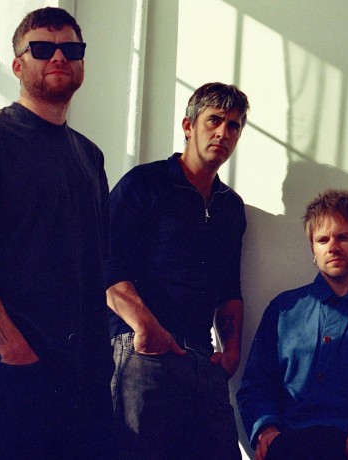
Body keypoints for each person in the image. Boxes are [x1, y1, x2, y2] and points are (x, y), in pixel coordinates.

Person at [0, 7, 114, 459]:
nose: (59, 56)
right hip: (11, 370)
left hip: (83, 378)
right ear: (17, 65)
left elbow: (97, 266)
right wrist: (13, 349)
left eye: (71, 48)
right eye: (42, 48)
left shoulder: (89, 156)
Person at [105, 82, 249, 459]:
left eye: (234, 125)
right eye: (214, 120)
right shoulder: (145, 183)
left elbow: (229, 287)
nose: (223, 132)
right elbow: (103, 261)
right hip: (143, 352)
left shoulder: (230, 207)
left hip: (203, 360)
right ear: (188, 126)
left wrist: (232, 350)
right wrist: (145, 327)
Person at [237, 189, 348, 460]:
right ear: (313, 249)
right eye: (322, 240)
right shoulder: (284, 310)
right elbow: (256, 385)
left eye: (343, 237)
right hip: (292, 446)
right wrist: (265, 429)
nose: (333, 247)